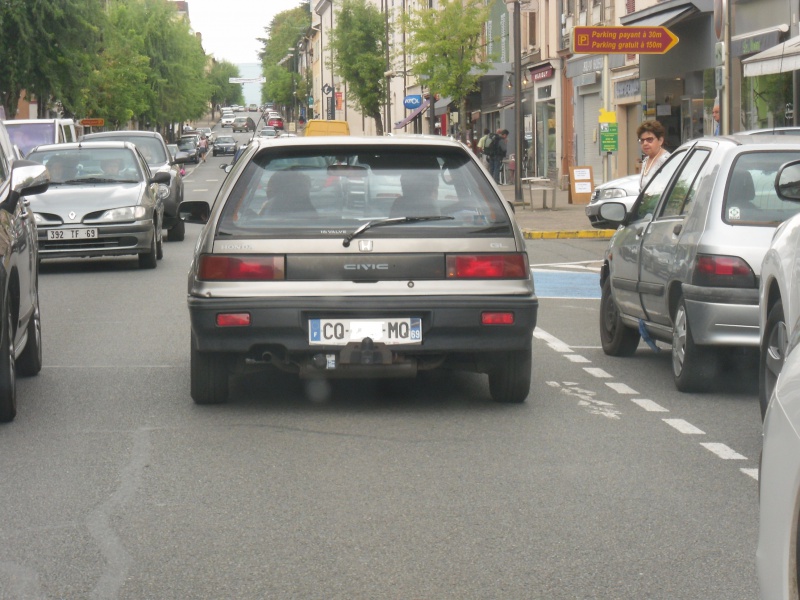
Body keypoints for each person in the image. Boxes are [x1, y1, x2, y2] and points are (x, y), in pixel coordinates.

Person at [637, 120, 670, 191]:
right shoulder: (646, 161)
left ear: (660, 140)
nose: (645, 143)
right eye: (642, 140)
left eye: (649, 139)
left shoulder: (666, 161)